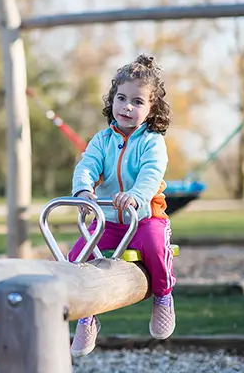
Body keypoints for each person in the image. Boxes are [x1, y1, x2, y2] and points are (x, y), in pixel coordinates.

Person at [68, 54, 175, 357]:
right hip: (110, 220)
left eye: (138, 102)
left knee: (155, 244)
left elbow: (151, 174)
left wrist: (137, 196)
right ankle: (87, 317)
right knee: (77, 255)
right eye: (121, 98)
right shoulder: (102, 140)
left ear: (151, 108)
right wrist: (84, 189)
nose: (127, 107)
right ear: (112, 100)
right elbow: (87, 166)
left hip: (143, 217)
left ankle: (164, 296)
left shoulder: (152, 142)